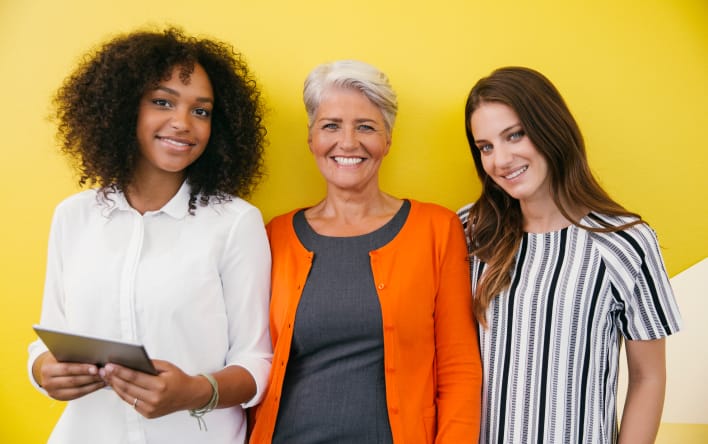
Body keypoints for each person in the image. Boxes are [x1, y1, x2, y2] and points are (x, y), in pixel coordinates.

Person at [27, 27, 272, 443]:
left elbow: (256, 363)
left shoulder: (234, 223)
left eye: (201, 111)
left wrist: (195, 391)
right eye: (162, 102)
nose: (182, 123)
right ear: (124, 110)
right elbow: (50, 337)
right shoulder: (74, 216)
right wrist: (42, 371)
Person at [249, 60, 482, 443]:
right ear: (311, 140)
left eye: (366, 126)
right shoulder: (277, 235)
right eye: (331, 126)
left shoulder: (436, 229)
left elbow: (459, 369)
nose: (348, 142)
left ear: (387, 140)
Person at [458, 66, 682, 444]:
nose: (501, 160)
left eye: (515, 135)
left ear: (550, 128)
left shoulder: (626, 241)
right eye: (486, 147)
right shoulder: (468, 232)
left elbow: (648, 377)